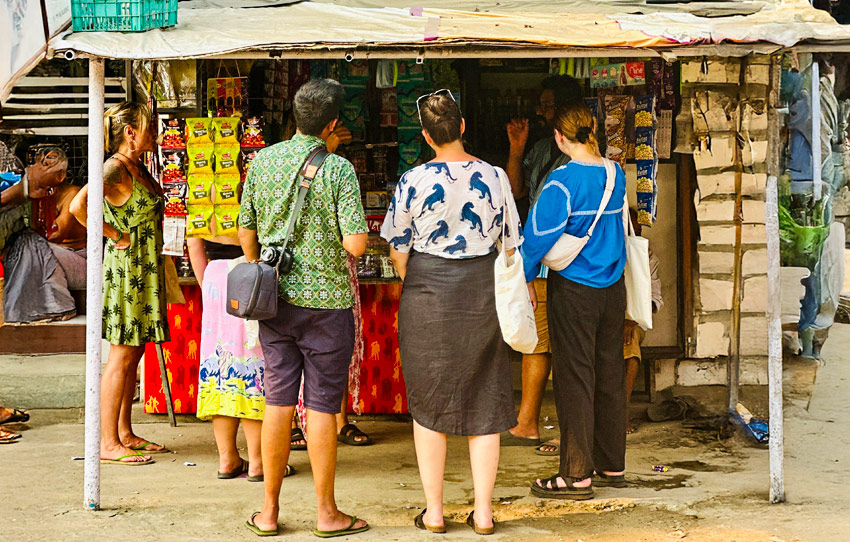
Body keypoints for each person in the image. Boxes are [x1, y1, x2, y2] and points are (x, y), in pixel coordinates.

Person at [382, 89, 523, 535]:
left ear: (426, 135)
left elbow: (398, 250)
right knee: (486, 396)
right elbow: (511, 243)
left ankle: (435, 512)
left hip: (426, 293)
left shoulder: (411, 180)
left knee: (429, 402)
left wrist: (424, 279)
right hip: (483, 294)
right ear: (462, 126)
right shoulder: (496, 176)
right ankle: (483, 513)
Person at [238, 78, 370, 538]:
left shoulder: (264, 161)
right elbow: (355, 243)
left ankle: (269, 512)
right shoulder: (338, 170)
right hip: (328, 307)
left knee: (277, 402)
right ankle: (327, 514)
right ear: (332, 123)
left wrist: (265, 265)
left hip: (274, 304)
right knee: (319, 408)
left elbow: (246, 235)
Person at [521, 101, 628, 500]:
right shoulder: (614, 173)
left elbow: (535, 240)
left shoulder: (562, 183)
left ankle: (576, 474)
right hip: (612, 289)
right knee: (609, 373)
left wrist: (527, 278)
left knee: (575, 380)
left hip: (575, 290)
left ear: (560, 138)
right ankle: (611, 464)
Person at [70, 102, 170, 465]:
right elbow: (79, 206)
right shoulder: (114, 167)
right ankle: (107, 442)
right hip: (127, 267)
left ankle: (124, 431)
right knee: (122, 353)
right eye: (149, 126)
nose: (155, 132)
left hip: (143, 266)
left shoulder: (134, 166)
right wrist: (114, 234)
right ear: (131, 132)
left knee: (135, 351)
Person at [502, 75, 582, 456]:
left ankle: (531, 422)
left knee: (545, 345)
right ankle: (530, 421)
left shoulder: (578, 160)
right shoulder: (539, 150)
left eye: (549, 106)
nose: (541, 112)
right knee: (540, 342)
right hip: (546, 264)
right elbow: (516, 192)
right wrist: (516, 150)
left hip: (561, 264)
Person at [1, 145, 83, 323]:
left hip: (79, 265)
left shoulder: (72, 194)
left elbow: (56, 235)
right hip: (51, 262)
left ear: (59, 175)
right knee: (22, 242)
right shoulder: (37, 194)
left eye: (39, 167)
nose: (30, 171)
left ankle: (59, 306)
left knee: (29, 241)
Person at [624, 208, 663, 434]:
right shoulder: (602, 252)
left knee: (630, 344)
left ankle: (621, 412)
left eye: (636, 231)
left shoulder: (647, 258)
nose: (632, 235)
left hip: (633, 321)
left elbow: (654, 299)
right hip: (604, 318)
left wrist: (631, 318)